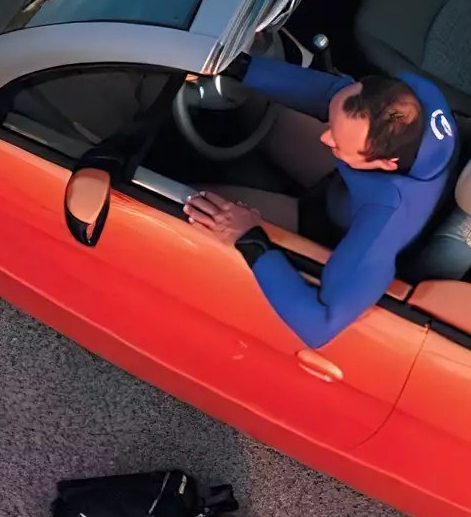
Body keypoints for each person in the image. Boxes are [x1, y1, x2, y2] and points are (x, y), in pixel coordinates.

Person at [185, 54, 456, 348]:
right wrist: (239, 67)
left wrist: (249, 238)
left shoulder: (385, 222)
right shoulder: (412, 95)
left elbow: (319, 325)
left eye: (337, 143)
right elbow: (334, 93)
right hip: (342, 185)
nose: (325, 138)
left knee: (188, 200)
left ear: (386, 164)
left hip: (323, 224)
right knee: (250, 104)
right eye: (332, 125)